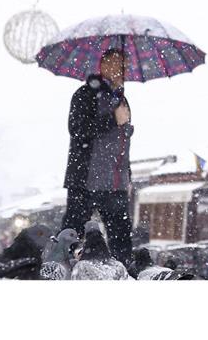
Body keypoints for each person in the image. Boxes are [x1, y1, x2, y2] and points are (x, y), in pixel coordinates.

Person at [61, 47, 135, 266]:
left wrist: (127, 176)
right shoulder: (84, 94)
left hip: (115, 182)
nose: (122, 70)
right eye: (116, 63)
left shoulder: (122, 100)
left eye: (125, 65)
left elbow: (123, 143)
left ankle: (123, 277)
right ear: (102, 66)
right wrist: (113, 120)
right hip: (86, 178)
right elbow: (77, 129)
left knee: (122, 242)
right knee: (70, 236)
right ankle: (57, 272)